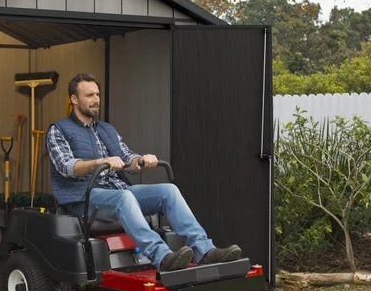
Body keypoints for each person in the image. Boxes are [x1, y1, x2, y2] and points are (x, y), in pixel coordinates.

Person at [46, 73, 242, 272]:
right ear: (74, 99)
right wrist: (100, 162)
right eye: (89, 95)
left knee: (168, 191)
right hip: (84, 197)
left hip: (117, 191)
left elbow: (126, 156)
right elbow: (66, 166)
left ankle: (205, 251)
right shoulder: (59, 130)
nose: (96, 99)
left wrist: (140, 160)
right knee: (124, 197)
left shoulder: (106, 129)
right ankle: (162, 257)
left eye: (97, 94)